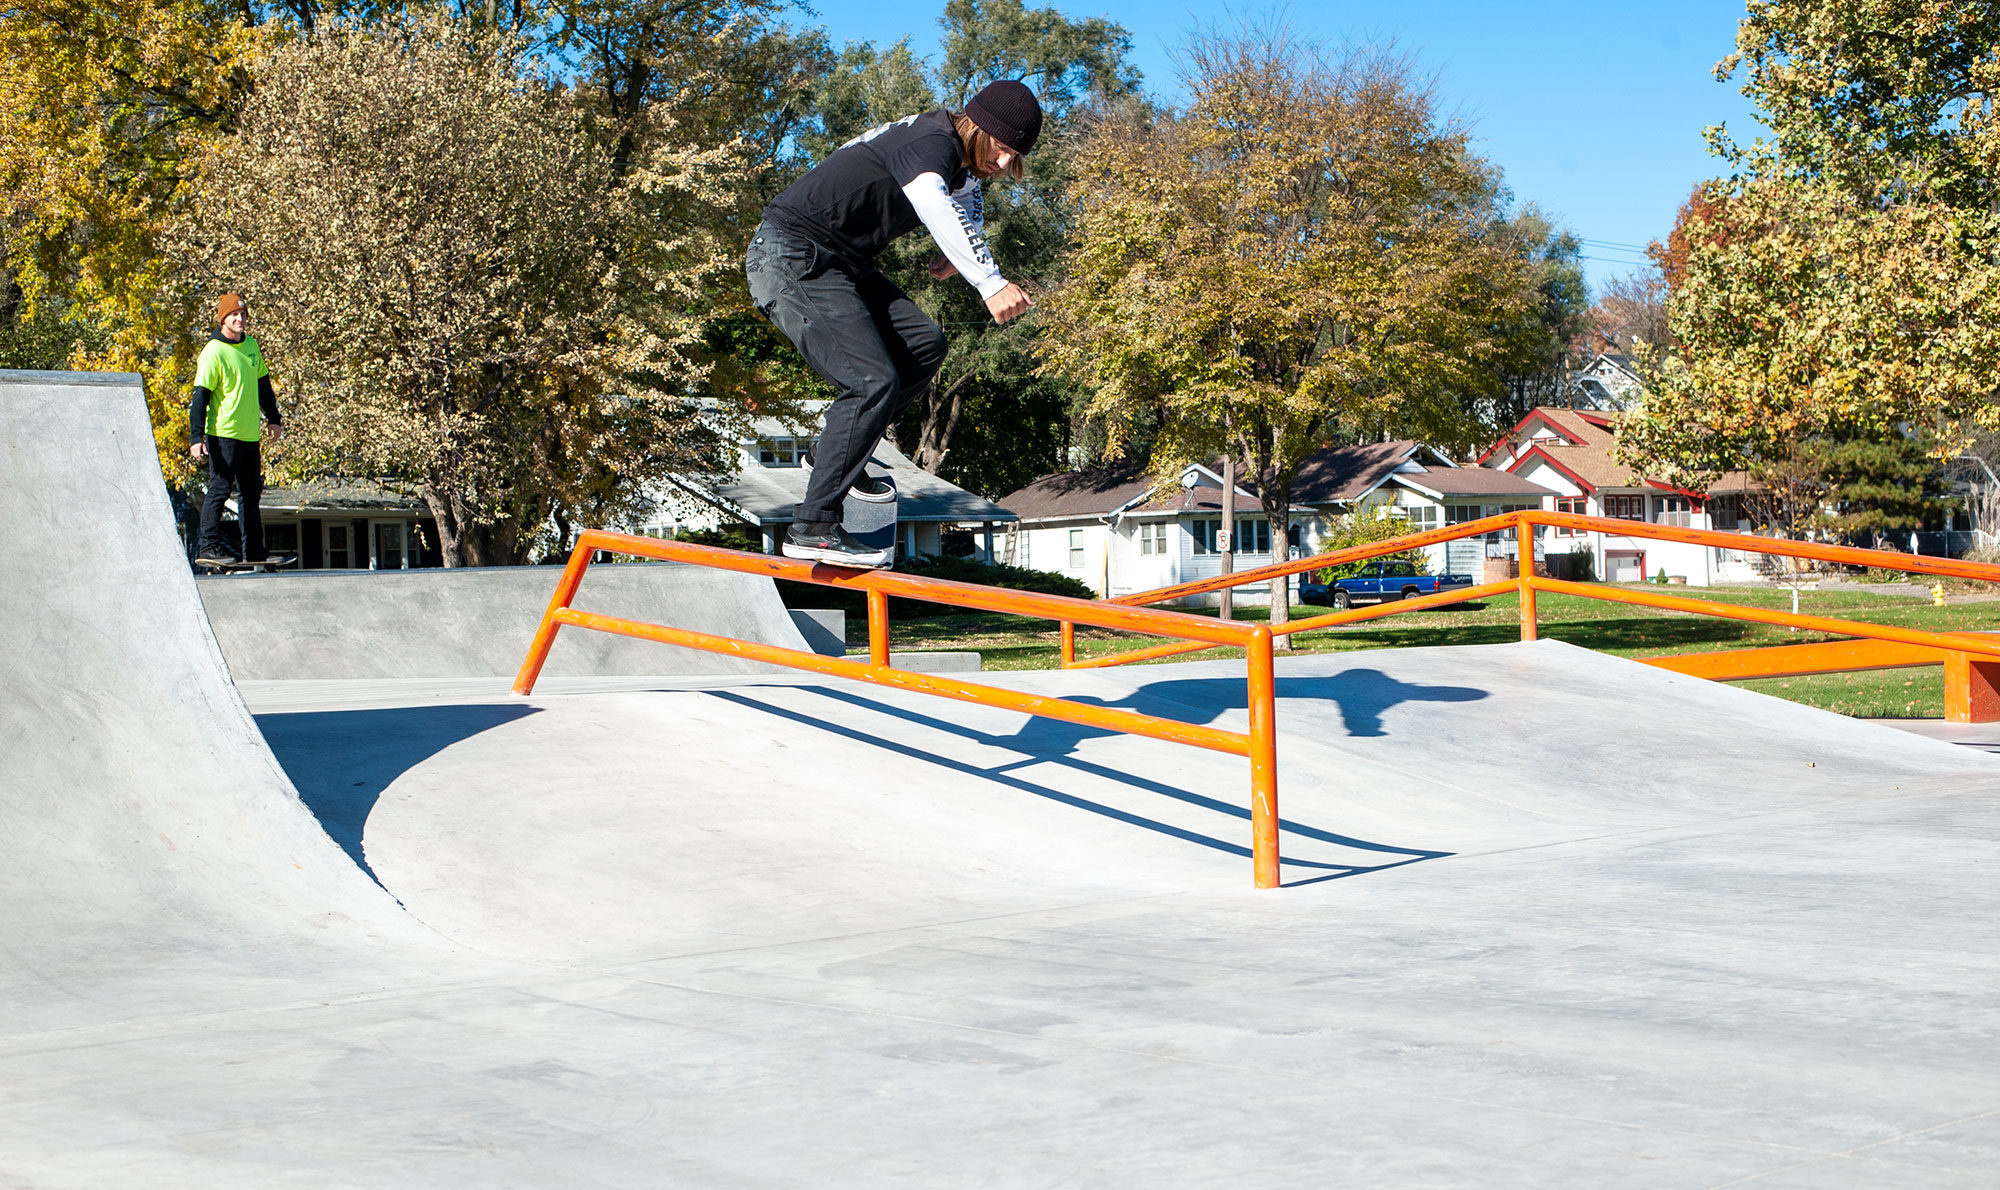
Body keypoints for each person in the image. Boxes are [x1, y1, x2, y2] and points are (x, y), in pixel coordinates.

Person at [747, 79, 1042, 568]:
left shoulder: (962, 159)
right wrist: (988, 281)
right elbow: (930, 197)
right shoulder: (931, 143)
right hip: (791, 255)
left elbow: (963, 200)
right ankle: (813, 527)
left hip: (842, 264)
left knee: (923, 344)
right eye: (1003, 148)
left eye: (1016, 156)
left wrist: (958, 249)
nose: (1005, 163)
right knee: (869, 381)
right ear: (976, 125)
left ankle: (835, 452)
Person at [189, 292, 284, 566]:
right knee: (219, 489)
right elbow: (200, 398)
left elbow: (264, 386)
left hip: (249, 435)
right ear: (223, 319)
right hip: (223, 435)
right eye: (234, 315)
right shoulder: (214, 351)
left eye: (243, 315)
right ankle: (207, 547)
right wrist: (196, 437)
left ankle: (253, 550)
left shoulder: (251, 346)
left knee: (251, 493)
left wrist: (274, 418)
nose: (240, 319)